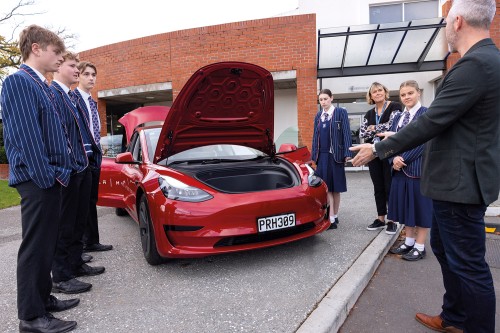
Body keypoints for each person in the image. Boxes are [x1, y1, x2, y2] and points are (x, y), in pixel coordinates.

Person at [350, 0, 499, 331]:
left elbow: (430, 122)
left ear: (457, 21)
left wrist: (379, 148)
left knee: (469, 266)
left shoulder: (476, 65)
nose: (444, 25)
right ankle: (455, 317)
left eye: (445, 19)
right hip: (456, 183)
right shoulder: (485, 61)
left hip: (460, 185)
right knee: (445, 252)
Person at [0, 25, 78, 333]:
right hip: (40, 180)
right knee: (35, 247)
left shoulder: (40, 84)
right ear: (36, 48)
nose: (59, 57)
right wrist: (48, 177)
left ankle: (44, 300)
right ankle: (31, 317)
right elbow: (26, 137)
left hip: (48, 178)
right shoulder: (18, 82)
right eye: (56, 52)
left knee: (46, 245)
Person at [50, 52, 105, 295]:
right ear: (60, 66)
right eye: (74, 66)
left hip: (83, 165)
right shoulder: (57, 94)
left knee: (77, 220)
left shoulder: (69, 98)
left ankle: (75, 264)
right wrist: (71, 165)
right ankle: (62, 275)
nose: (76, 70)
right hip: (71, 168)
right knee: (66, 224)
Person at [386, 80, 432, 261]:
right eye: (403, 94)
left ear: (418, 92)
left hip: (418, 169)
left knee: (420, 209)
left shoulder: (426, 114)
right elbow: (389, 142)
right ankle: (409, 242)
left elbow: (425, 141)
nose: (406, 97)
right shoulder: (397, 117)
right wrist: (392, 158)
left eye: (410, 93)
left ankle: (420, 247)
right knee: (407, 208)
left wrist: (402, 159)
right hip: (399, 171)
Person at [74, 61, 113, 252]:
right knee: (79, 205)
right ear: (78, 76)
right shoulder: (73, 99)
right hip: (81, 157)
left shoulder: (93, 102)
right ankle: (79, 245)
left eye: (93, 75)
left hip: (94, 157)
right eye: (86, 74)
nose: (91, 78)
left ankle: (92, 241)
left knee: (91, 201)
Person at [360, 82, 402, 235]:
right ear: (370, 96)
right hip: (373, 153)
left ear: (385, 92)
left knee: (390, 186)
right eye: (374, 92)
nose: (377, 93)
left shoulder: (395, 106)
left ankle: (392, 220)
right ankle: (380, 218)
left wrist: (373, 128)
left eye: (379, 90)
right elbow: (363, 133)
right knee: (378, 187)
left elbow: (393, 126)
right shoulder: (369, 114)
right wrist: (379, 129)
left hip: (389, 151)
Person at [311, 89, 352, 229]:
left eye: (325, 99)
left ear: (331, 98)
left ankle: (335, 215)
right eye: (321, 99)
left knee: (336, 189)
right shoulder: (318, 116)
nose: (323, 102)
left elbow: (346, 133)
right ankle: (331, 218)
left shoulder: (340, 113)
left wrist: (347, 152)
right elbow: (315, 137)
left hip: (336, 156)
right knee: (327, 188)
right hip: (322, 157)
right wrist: (313, 156)